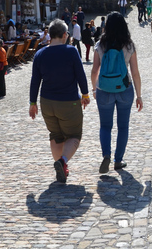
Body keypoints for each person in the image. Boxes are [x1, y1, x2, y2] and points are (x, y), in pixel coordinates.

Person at [29, 18, 91, 183]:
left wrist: (32, 103)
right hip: (68, 101)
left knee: (56, 135)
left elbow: (35, 81)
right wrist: (85, 95)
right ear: (65, 35)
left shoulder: (40, 54)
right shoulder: (71, 51)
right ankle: (62, 162)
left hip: (47, 103)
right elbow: (80, 75)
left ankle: (60, 168)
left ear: (49, 34)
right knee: (74, 135)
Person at [90, 13, 143, 174]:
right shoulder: (128, 45)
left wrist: (94, 89)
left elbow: (94, 71)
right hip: (124, 89)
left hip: (104, 90)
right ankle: (118, 160)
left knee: (105, 126)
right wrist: (139, 95)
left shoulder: (100, 45)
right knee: (123, 126)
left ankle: (106, 154)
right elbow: (135, 73)